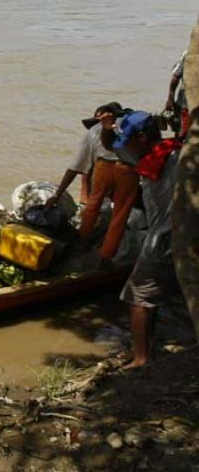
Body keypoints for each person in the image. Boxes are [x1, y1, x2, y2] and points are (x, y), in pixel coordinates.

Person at [99, 110, 191, 369]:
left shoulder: (169, 158)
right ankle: (151, 344)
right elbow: (111, 145)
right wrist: (108, 128)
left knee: (138, 296)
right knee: (162, 295)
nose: (124, 146)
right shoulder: (155, 153)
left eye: (127, 139)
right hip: (177, 236)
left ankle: (141, 358)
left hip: (164, 239)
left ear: (141, 137)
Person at [46, 102, 138, 267]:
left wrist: (57, 194)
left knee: (93, 204)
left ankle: (82, 241)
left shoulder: (93, 131)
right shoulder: (129, 126)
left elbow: (75, 167)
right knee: (121, 213)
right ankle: (106, 255)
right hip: (126, 168)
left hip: (104, 167)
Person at [165, 50, 192, 138]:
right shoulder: (189, 54)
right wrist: (170, 99)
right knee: (183, 131)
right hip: (186, 102)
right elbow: (176, 77)